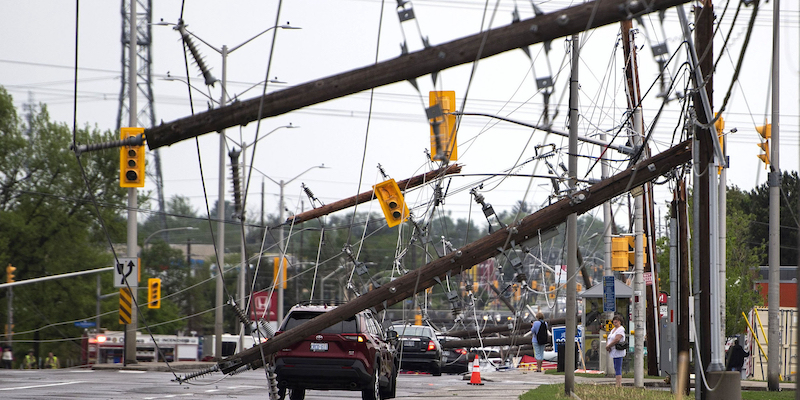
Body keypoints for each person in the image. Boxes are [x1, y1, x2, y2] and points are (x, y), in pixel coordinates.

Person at [605, 315, 626, 387]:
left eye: (616, 321)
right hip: (613, 350)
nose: (615, 322)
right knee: (615, 366)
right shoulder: (613, 330)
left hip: (618, 351)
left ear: (620, 321)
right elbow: (609, 338)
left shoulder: (621, 329)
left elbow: (617, 339)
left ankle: (618, 384)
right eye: (614, 321)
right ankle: (618, 383)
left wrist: (609, 346)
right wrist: (608, 346)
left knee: (618, 367)